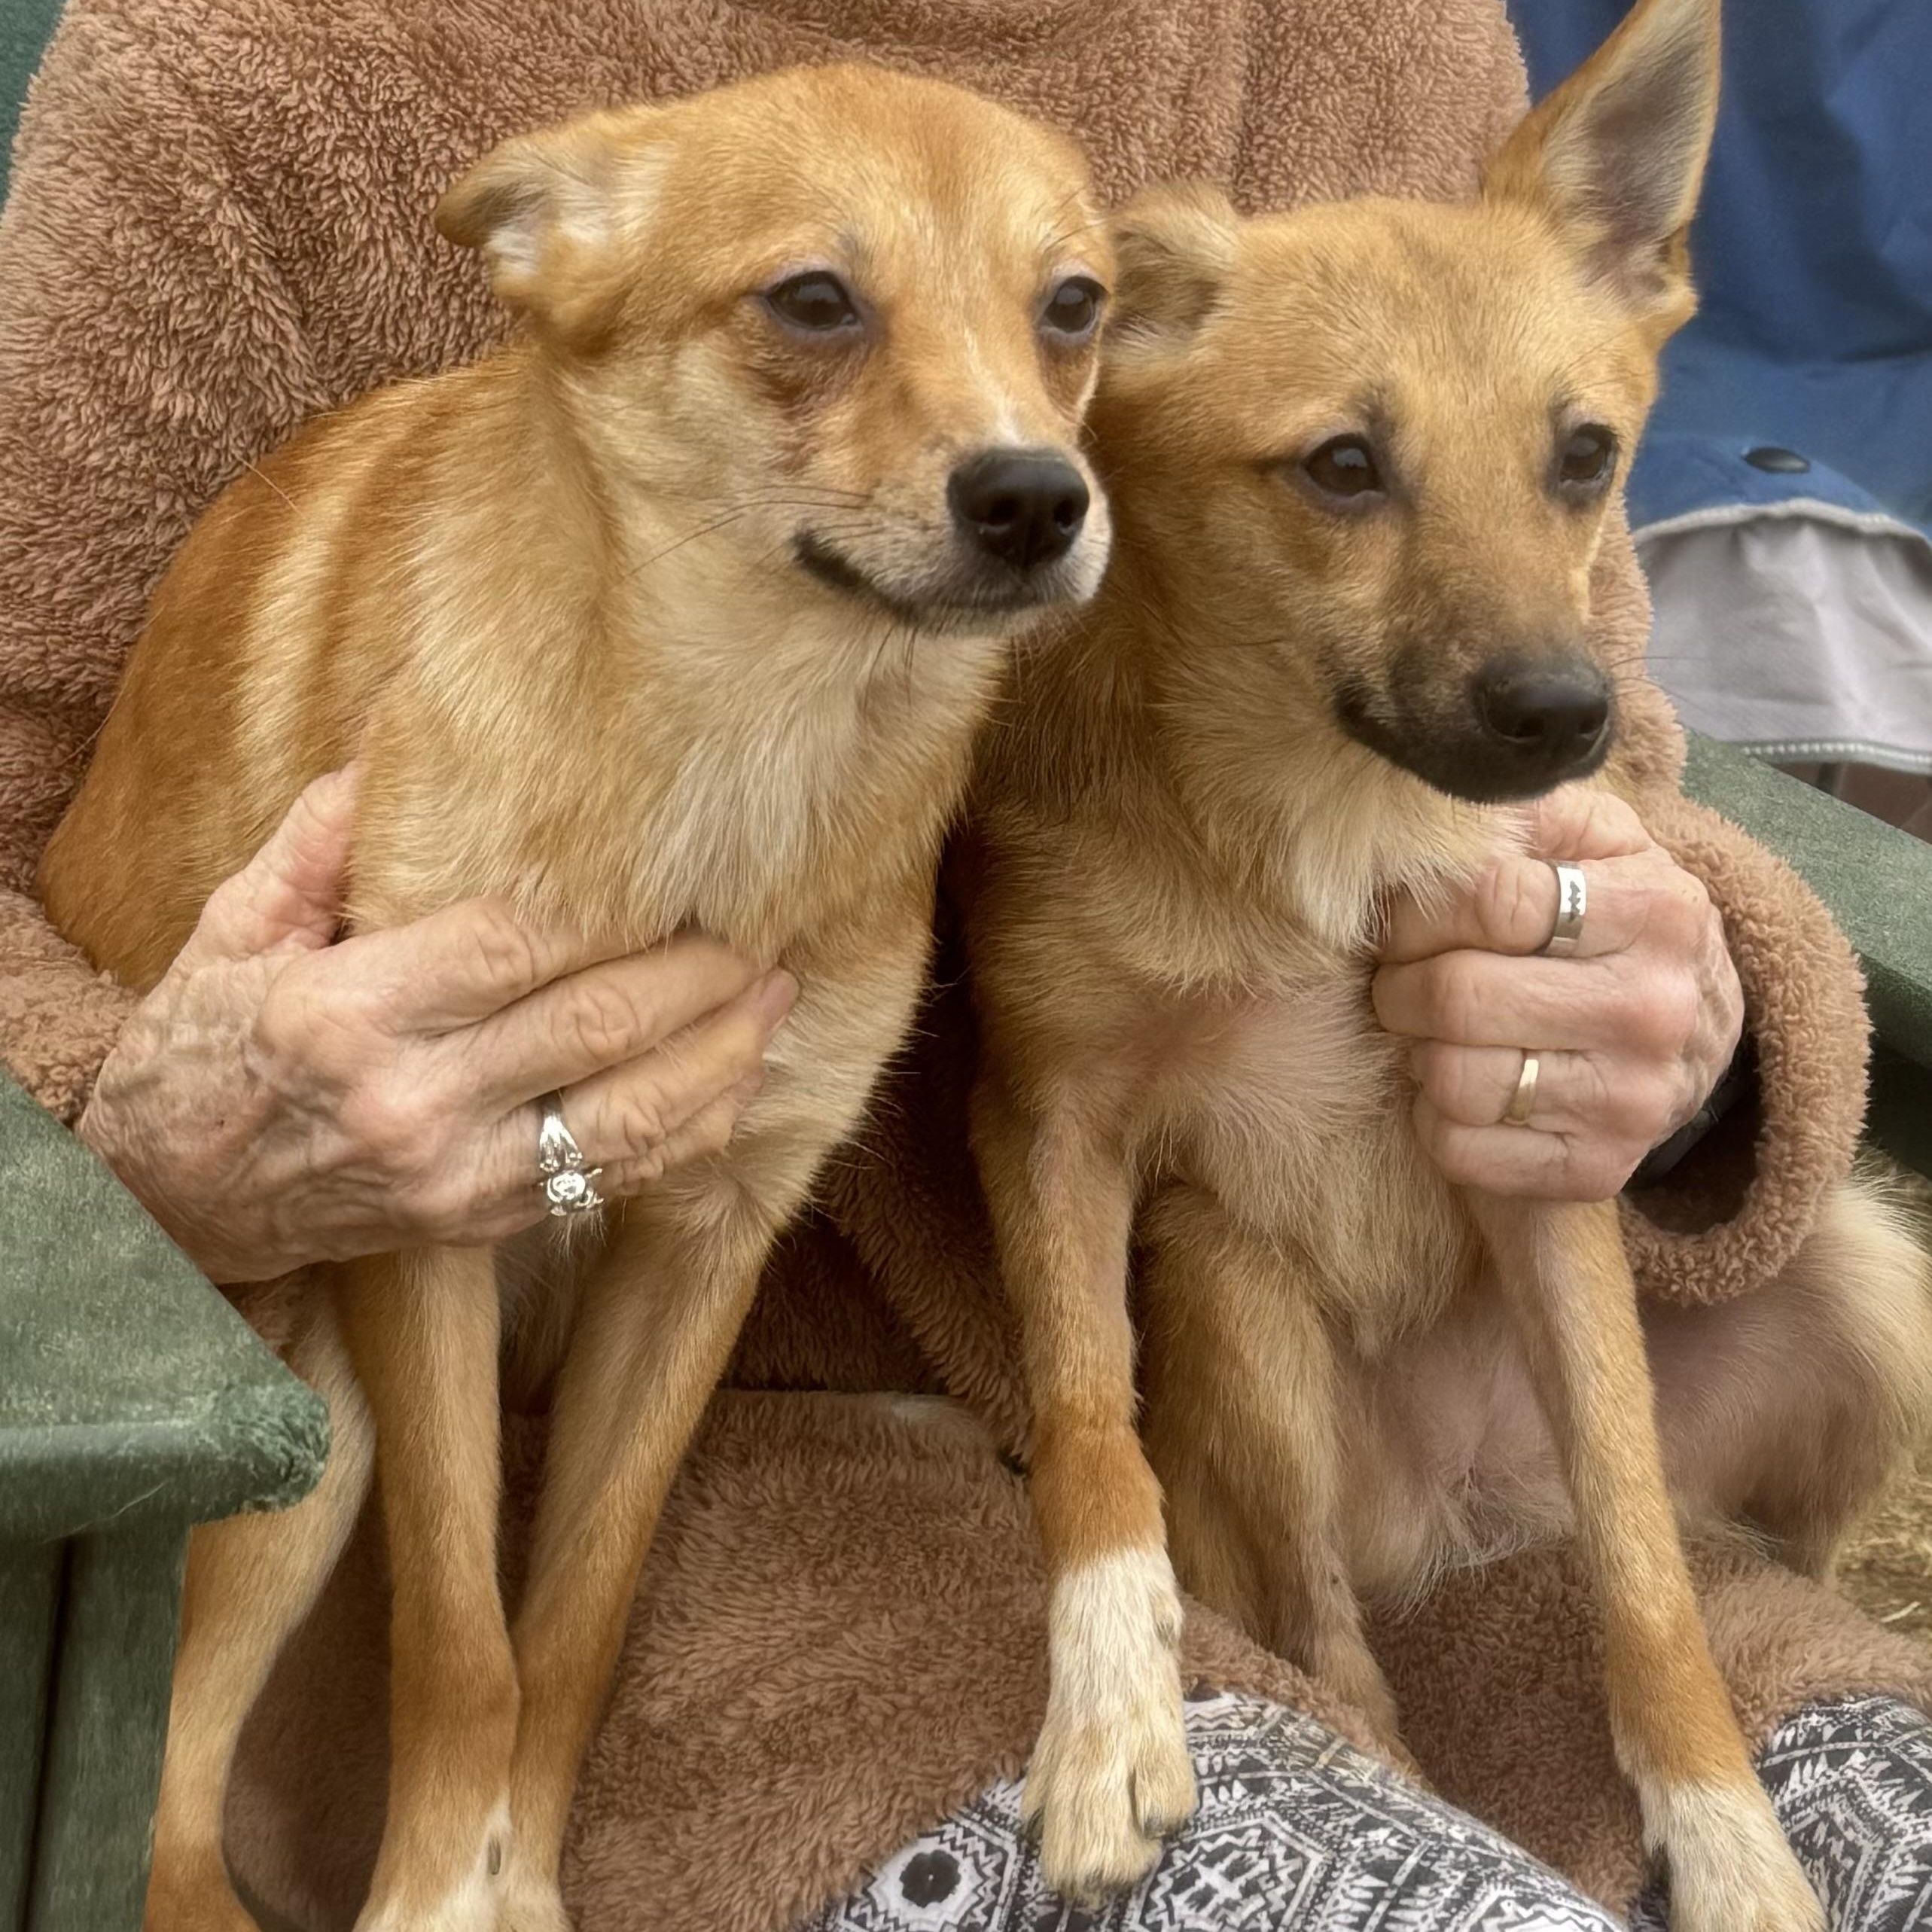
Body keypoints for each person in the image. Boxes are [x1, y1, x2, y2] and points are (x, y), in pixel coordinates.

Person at [3, 0, 1929, 1926]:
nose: (1009, 430)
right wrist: (159, 1131)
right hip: (691, 1516)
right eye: (813, 314)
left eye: (1068, 322)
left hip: (1338, 1400)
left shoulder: (1373, 34)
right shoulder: (260, 68)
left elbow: (1577, 710)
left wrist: (1678, 998)